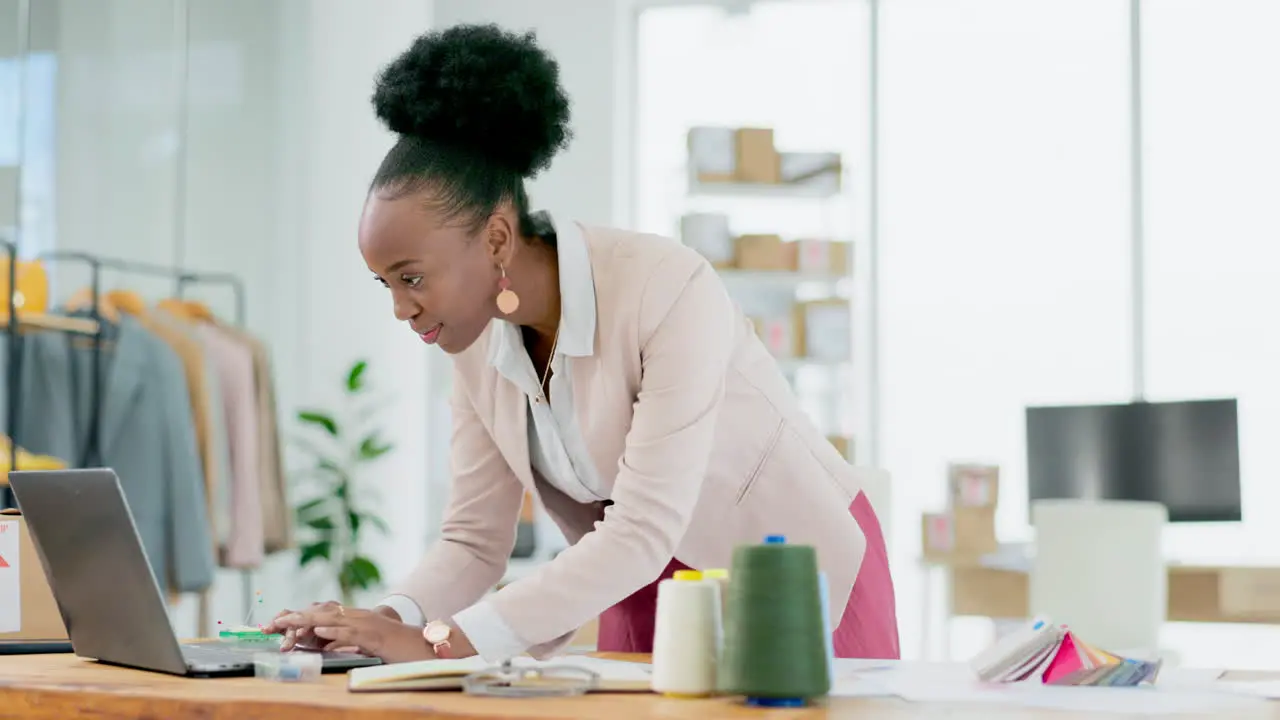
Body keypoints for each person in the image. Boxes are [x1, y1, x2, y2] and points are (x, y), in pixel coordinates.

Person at [265, 23, 898, 664]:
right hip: (648, 591)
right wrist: (375, 624)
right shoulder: (476, 349)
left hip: (791, 590)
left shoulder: (666, 287)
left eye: (412, 278)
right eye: (386, 284)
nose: (401, 308)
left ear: (496, 241)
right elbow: (473, 542)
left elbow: (642, 527)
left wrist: (439, 643)